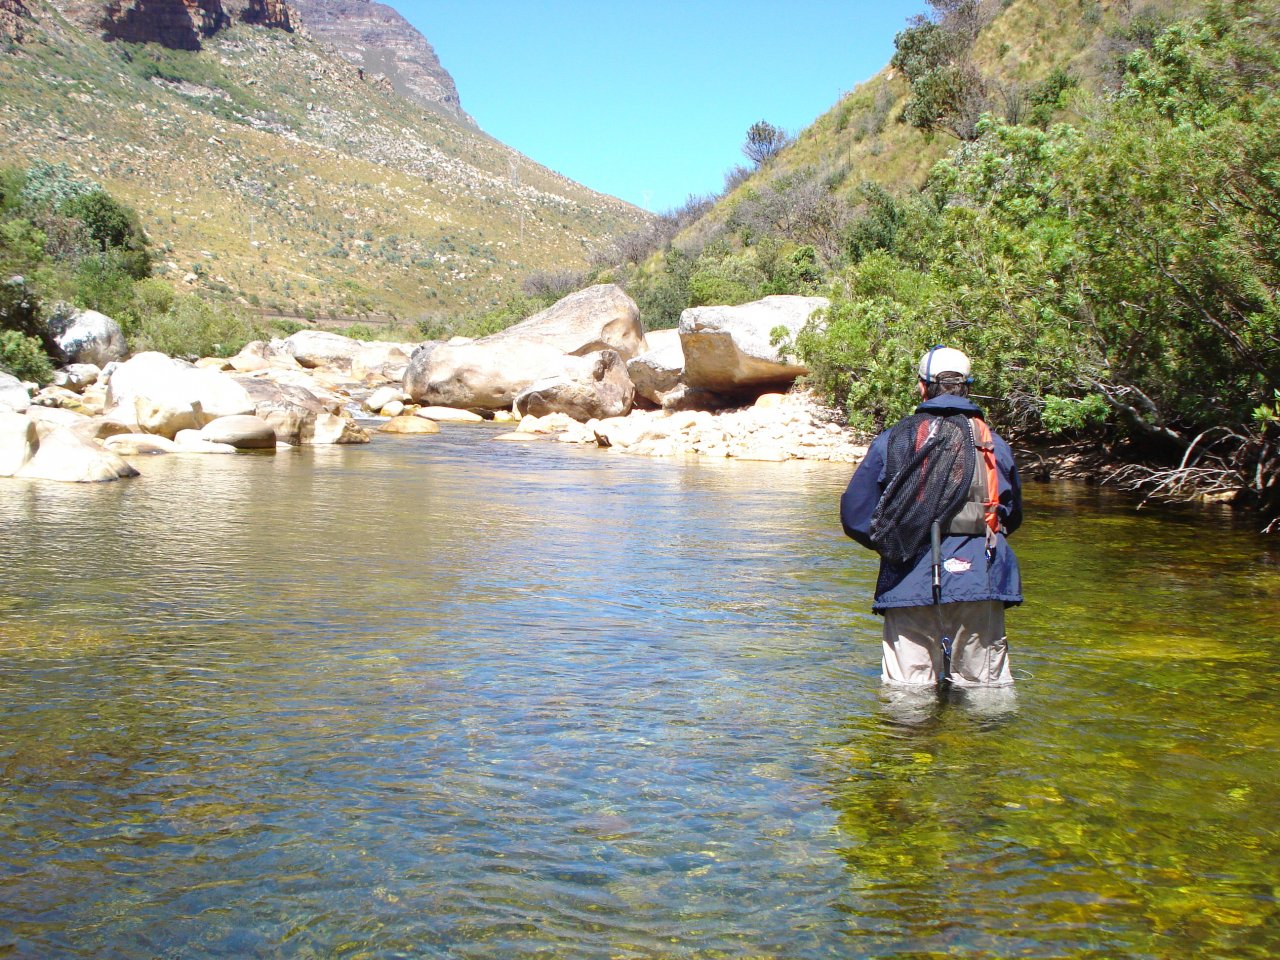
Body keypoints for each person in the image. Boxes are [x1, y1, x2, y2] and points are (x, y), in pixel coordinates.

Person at [840, 346, 1023, 687]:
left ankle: (909, 740)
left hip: (910, 578)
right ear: (967, 386)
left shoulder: (892, 439)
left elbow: (855, 514)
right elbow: (1011, 514)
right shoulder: (993, 443)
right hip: (979, 578)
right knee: (984, 696)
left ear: (922, 387)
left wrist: (892, 546)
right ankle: (984, 742)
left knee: (907, 699)